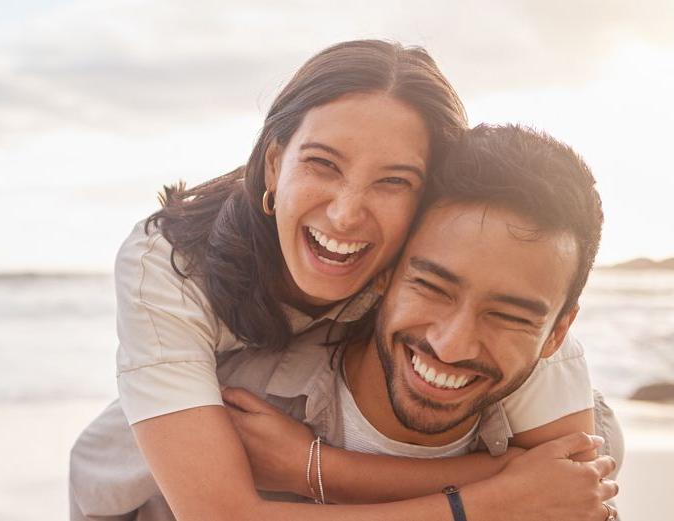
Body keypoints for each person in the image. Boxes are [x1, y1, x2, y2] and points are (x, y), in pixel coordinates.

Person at [71, 41, 615, 520]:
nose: (347, 215)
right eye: (323, 164)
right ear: (274, 163)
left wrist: (317, 466)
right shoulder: (168, 264)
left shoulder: (467, 274)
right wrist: (483, 504)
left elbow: (570, 480)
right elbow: (219, 512)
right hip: (135, 479)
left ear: (429, 199)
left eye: (393, 181)